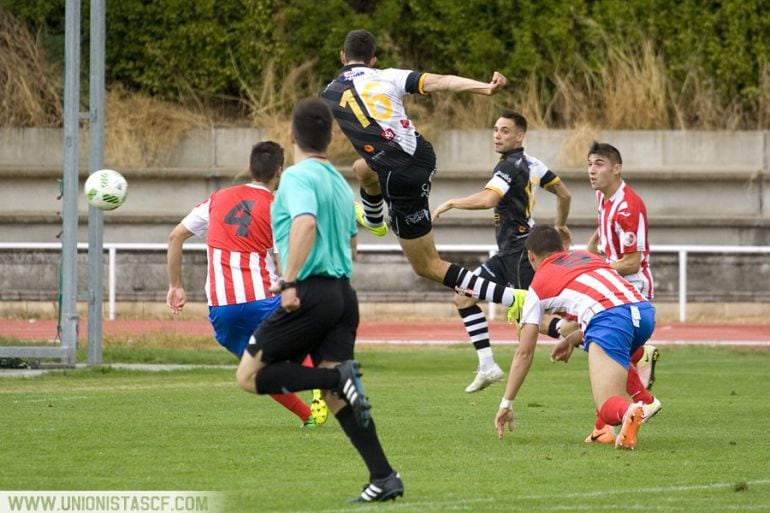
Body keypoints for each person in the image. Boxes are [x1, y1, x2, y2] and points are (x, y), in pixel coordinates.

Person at [235, 98, 403, 503]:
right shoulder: (338, 182)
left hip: (309, 291)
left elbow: (305, 223)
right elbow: (352, 245)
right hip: (343, 294)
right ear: (330, 137)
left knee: (248, 377)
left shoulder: (295, 178)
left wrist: (289, 280)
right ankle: (383, 476)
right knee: (336, 398)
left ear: (291, 136)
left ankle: (335, 378)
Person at [320, 29, 525, 314]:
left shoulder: (328, 94)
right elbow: (442, 82)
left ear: (342, 56)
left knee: (427, 266)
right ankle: (374, 219)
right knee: (361, 168)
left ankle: (513, 298)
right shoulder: (388, 75)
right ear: (373, 60)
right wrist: (485, 88)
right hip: (421, 155)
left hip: (398, 175)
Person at [166, 140, 327, 428]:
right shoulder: (277, 206)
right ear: (279, 171)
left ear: (251, 168)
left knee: (257, 368)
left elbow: (175, 236)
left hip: (221, 306)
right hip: (262, 298)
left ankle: (308, 418)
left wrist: (175, 285)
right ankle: (319, 387)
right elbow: (284, 258)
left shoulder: (216, 199)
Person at [432, 111, 572, 393]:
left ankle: (598, 338)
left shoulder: (508, 167)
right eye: (496, 129)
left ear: (520, 136)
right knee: (463, 297)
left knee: (534, 320)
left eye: (505, 131)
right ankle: (487, 365)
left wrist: (452, 202)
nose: (498, 135)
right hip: (508, 252)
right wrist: (561, 225)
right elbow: (564, 194)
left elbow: (488, 199)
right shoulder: (532, 163)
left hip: (520, 253)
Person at [494, 224, 657, 450]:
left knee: (608, 405)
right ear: (562, 247)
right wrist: (573, 338)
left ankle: (631, 409)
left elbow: (524, 352)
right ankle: (604, 430)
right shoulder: (585, 256)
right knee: (609, 363)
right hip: (645, 313)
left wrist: (506, 403)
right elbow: (607, 300)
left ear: (531, 256)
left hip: (611, 321)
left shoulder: (537, 287)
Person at [577, 141, 661, 443]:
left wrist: (596, 272)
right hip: (614, 288)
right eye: (589, 164)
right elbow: (603, 228)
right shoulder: (604, 197)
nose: (591, 170)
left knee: (594, 341)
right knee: (594, 342)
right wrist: (589, 250)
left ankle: (637, 402)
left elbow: (632, 262)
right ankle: (639, 361)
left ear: (617, 168)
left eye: (598, 163)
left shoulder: (629, 206)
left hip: (631, 292)